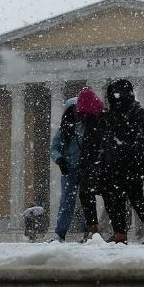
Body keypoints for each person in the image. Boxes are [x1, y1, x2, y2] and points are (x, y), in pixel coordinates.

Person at [101, 79, 144, 245]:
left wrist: (130, 148)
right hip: (116, 161)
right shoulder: (113, 113)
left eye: (116, 93)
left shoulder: (137, 111)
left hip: (134, 161)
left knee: (135, 196)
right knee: (115, 197)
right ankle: (120, 233)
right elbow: (108, 136)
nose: (114, 97)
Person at [74, 86, 107, 243]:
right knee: (88, 195)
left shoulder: (100, 120)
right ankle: (94, 229)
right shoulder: (90, 120)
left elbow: (97, 143)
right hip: (92, 163)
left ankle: (99, 230)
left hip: (98, 163)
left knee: (101, 195)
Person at [50, 98, 83, 242]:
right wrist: (59, 159)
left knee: (87, 201)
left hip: (84, 169)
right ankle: (60, 232)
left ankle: (88, 230)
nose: (76, 112)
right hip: (69, 170)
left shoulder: (86, 126)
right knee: (66, 202)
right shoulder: (64, 131)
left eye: (78, 109)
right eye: (73, 109)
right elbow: (54, 148)